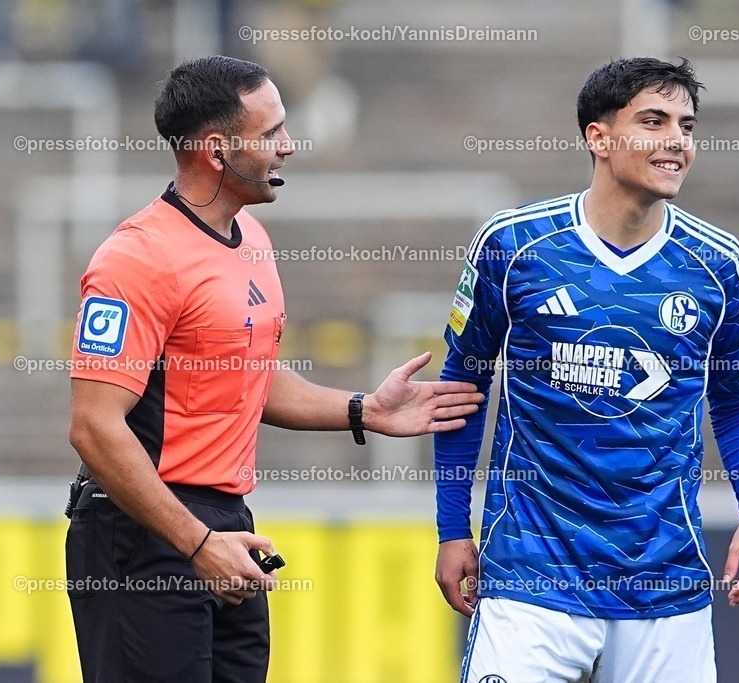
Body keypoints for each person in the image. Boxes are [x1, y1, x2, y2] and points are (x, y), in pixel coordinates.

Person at [66, 55, 482, 683]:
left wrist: (362, 409)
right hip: (142, 535)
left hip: (226, 526)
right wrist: (197, 543)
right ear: (215, 149)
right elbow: (95, 427)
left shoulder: (252, 237)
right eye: (269, 134)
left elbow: (244, 378)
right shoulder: (137, 258)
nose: (287, 146)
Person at [433, 57, 739, 682]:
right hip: (530, 578)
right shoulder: (514, 245)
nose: (676, 140)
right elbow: (462, 390)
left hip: (664, 583)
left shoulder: (717, 263)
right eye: (653, 121)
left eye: (686, 125)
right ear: (598, 136)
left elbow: (736, 400)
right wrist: (452, 528)